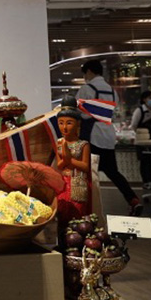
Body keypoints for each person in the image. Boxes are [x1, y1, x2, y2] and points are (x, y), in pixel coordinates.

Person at [77, 60, 142, 216]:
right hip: (107, 135)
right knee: (113, 172)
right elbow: (109, 112)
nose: (85, 77)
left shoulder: (87, 89)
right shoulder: (112, 91)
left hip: (92, 136)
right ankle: (133, 199)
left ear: (89, 71)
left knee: (86, 173)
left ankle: (85, 208)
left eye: (85, 73)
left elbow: (80, 114)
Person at [55, 96, 92, 228]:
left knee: (77, 215)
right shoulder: (59, 143)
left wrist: (69, 159)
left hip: (78, 182)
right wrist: (65, 159)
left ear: (78, 124)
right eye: (61, 123)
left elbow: (85, 167)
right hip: (63, 183)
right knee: (62, 212)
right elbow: (59, 165)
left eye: (69, 123)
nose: (64, 127)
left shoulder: (83, 144)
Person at [130, 90, 151, 194]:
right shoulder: (139, 111)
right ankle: (146, 182)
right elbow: (134, 125)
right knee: (144, 161)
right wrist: (141, 134)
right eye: (150, 98)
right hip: (142, 141)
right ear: (144, 99)